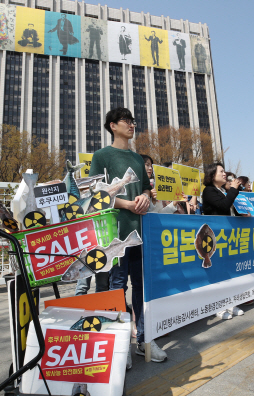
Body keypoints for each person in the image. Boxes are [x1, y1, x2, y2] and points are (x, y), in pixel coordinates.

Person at [87, 107, 167, 363]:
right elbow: (95, 194)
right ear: (112, 125)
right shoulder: (101, 156)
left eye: (133, 121)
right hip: (115, 233)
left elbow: (145, 187)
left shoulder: (136, 158)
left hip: (141, 231)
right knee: (117, 286)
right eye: (126, 121)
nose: (132, 125)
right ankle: (121, 343)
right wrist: (127, 204)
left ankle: (145, 339)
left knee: (143, 287)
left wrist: (144, 197)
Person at [202, 163, 244, 320]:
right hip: (214, 238)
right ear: (212, 175)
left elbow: (232, 209)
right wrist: (232, 189)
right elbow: (223, 205)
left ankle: (231, 303)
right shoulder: (209, 191)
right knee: (217, 274)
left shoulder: (223, 190)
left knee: (229, 273)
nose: (225, 174)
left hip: (228, 237)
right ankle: (218, 307)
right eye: (221, 171)